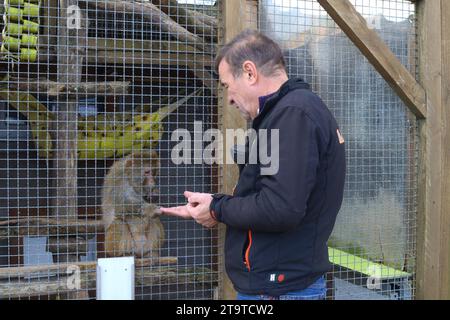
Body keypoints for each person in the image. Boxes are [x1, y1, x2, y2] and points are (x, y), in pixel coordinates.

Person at [160, 29, 346, 300]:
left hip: (280, 290)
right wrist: (216, 205)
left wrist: (218, 208)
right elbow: (271, 196)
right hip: (277, 285)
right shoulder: (287, 112)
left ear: (249, 72)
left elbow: (281, 209)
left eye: (226, 86)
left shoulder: (294, 115)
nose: (228, 98)